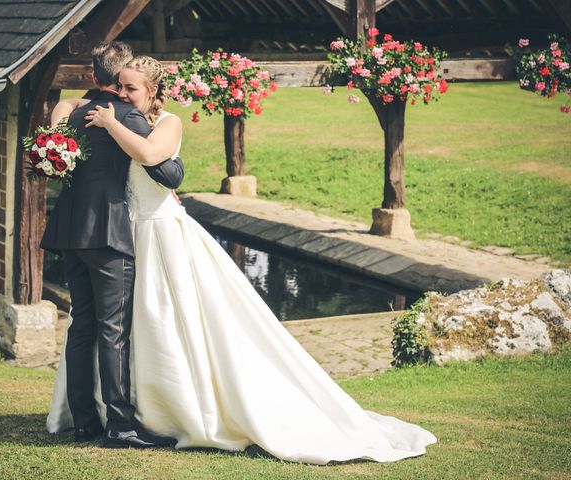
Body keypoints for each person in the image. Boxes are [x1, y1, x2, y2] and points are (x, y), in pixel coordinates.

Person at [47, 55, 437, 464]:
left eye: (131, 88)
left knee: (172, 321)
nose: (122, 94)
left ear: (153, 91)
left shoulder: (163, 123)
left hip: (161, 232)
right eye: (120, 87)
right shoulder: (122, 117)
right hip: (129, 231)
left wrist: (110, 123)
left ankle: (166, 412)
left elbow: (154, 161)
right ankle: (130, 414)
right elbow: (107, 152)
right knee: (133, 325)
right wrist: (70, 108)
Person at [41, 42, 183, 449]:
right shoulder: (127, 116)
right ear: (119, 76)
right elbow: (165, 170)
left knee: (81, 325)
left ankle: (85, 421)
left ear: (93, 75)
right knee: (113, 330)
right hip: (107, 233)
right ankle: (120, 424)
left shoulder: (71, 113)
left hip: (69, 230)